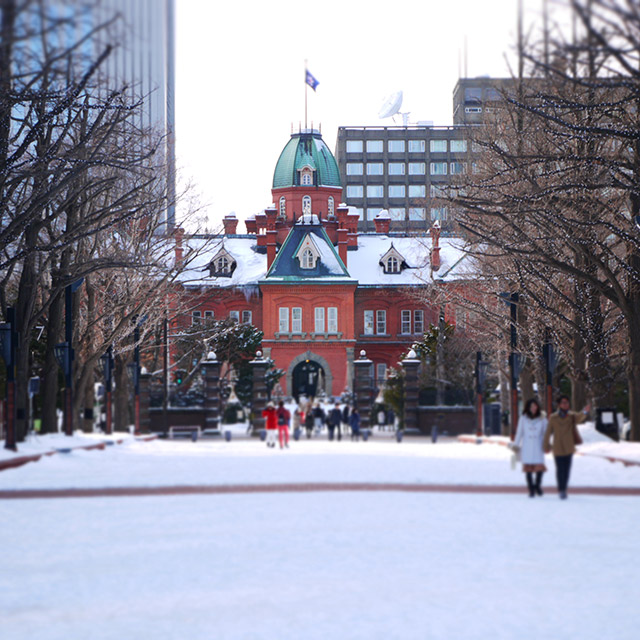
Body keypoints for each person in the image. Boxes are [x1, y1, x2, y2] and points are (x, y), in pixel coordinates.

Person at [543, 394, 590, 499]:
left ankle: (564, 488)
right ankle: (561, 489)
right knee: (560, 469)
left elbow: (580, 417)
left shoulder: (572, 416)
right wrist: (546, 445)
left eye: (567, 402)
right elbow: (548, 432)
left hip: (569, 447)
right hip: (558, 447)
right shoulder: (553, 417)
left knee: (567, 469)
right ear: (559, 405)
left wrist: (585, 411)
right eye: (563, 403)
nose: (565, 404)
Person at [513, 398, 548, 497]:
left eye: (535, 406)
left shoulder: (542, 418)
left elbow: (546, 432)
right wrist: (516, 444)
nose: (533, 408)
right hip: (527, 445)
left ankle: (537, 486)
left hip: (538, 444)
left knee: (539, 469)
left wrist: (546, 443)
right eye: (531, 406)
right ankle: (531, 489)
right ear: (528, 408)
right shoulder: (523, 418)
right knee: (528, 469)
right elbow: (519, 432)